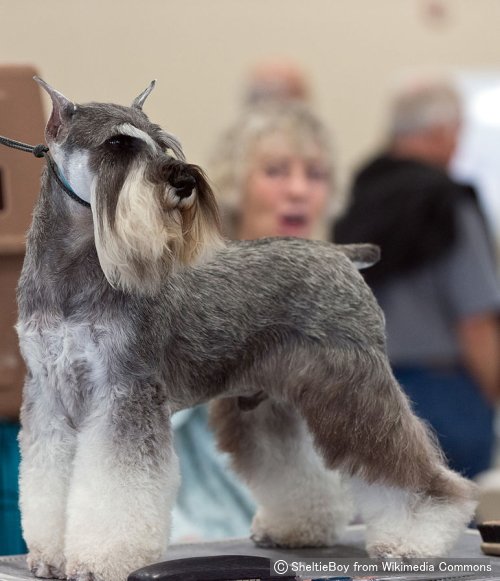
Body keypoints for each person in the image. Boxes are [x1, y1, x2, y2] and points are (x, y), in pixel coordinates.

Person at [172, 100, 336, 541]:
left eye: (315, 175)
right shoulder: (193, 290)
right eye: (277, 171)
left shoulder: (333, 300)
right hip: (203, 541)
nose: (299, 190)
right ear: (234, 186)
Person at [335, 78, 500, 479]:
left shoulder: (357, 201)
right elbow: (475, 321)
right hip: (445, 398)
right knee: (449, 524)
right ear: (441, 131)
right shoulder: (449, 204)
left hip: (365, 391)